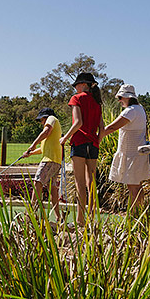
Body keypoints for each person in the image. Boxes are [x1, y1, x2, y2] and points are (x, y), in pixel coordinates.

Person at [59, 72, 104, 226]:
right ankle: (92, 218)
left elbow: (77, 122)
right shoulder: (98, 102)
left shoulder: (76, 98)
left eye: (77, 85)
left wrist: (64, 139)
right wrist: (96, 140)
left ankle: (80, 220)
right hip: (93, 145)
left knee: (79, 182)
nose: (76, 88)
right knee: (91, 182)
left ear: (83, 84)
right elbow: (102, 128)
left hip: (79, 143)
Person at [100, 84, 150, 209]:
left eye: (121, 97)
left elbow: (112, 127)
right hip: (137, 153)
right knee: (137, 186)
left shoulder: (131, 111)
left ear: (127, 97)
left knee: (133, 187)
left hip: (131, 155)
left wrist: (97, 137)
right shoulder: (140, 109)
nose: (119, 101)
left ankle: (134, 215)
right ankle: (139, 213)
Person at [22, 107, 63, 218]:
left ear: (45, 117)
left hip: (49, 160)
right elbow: (42, 149)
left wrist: (33, 144)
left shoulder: (52, 119)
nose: (41, 123)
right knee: (53, 189)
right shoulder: (50, 135)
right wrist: (30, 153)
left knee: (37, 183)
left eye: (41, 120)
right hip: (55, 161)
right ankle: (59, 218)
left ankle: (30, 214)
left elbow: (46, 131)